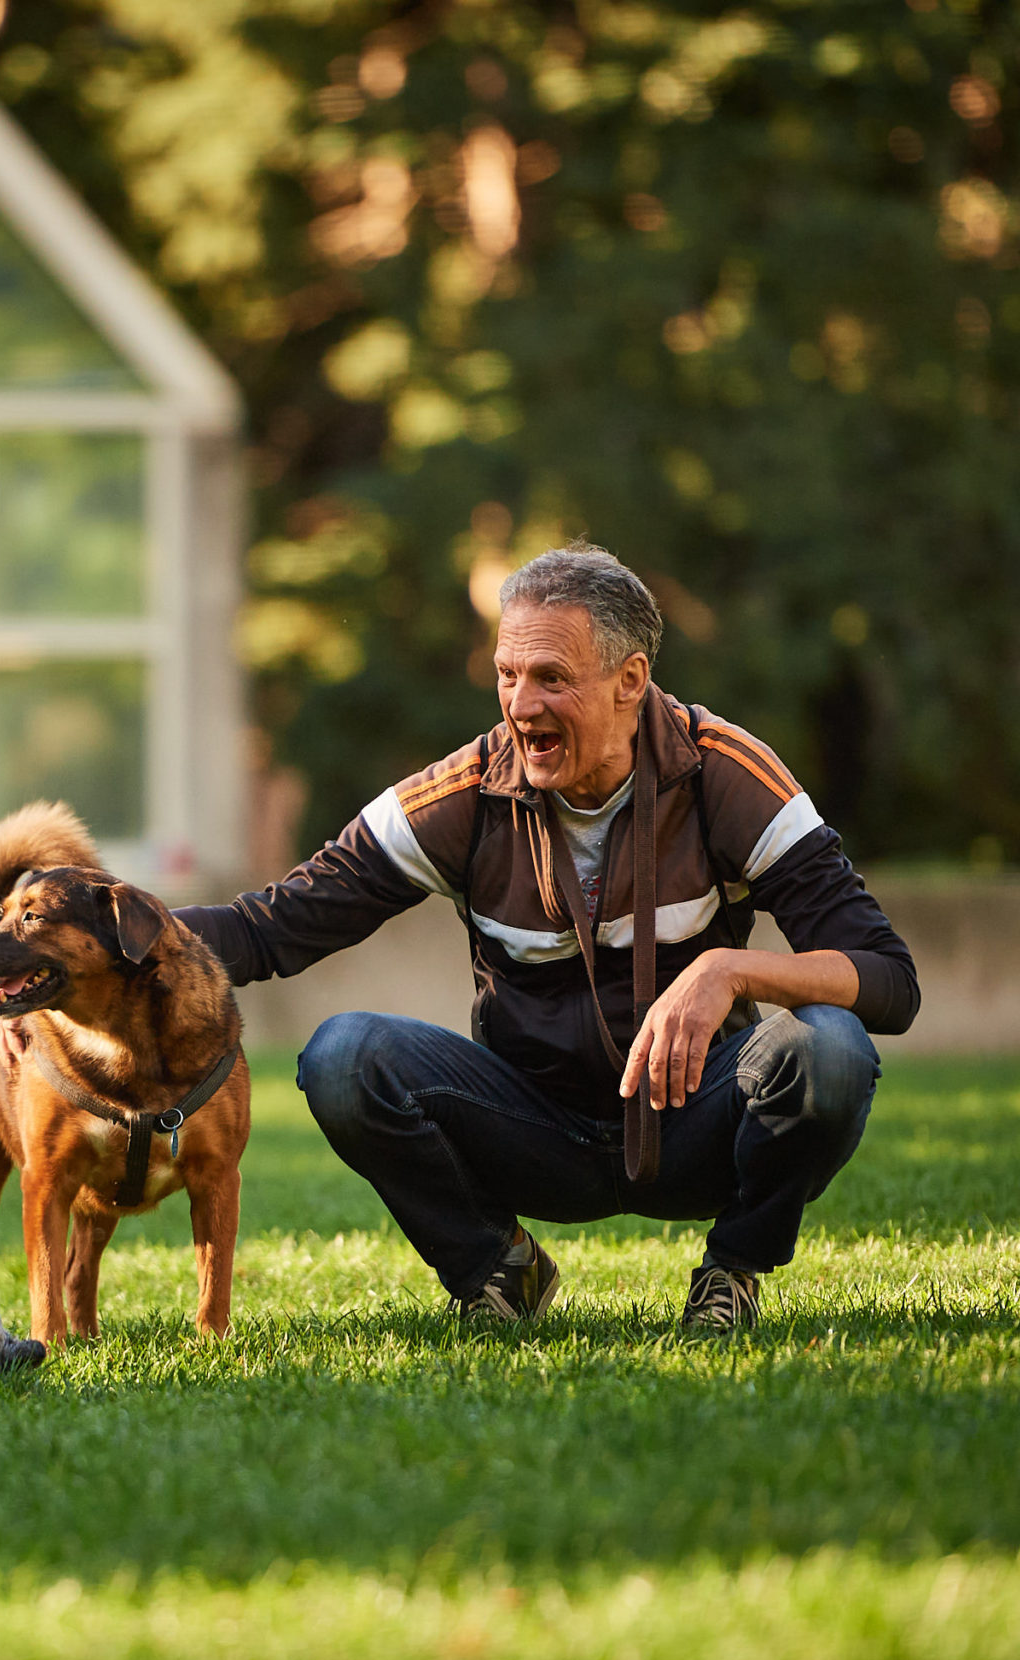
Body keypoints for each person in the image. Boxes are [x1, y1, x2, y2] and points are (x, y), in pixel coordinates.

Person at [174, 544, 919, 1332]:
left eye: (551, 678)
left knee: (831, 1050)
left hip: (698, 1120)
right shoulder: (465, 791)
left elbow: (889, 979)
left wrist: (732, 970)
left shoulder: (727, 774)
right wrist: (98, 930)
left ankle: (732, 1273)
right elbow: (272, 927)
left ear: (630, 681)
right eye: (507, 674)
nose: (520, 705)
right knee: (343, 1056)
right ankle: (498, 1271)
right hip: (533, 1132)